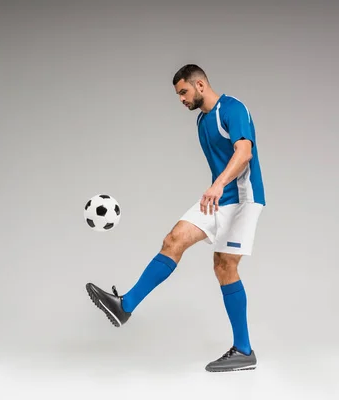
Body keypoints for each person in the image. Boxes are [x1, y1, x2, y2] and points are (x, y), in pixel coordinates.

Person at [85, 64, 266, 372]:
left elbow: (244, 152)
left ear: (200, 85)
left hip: (243, 199)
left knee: (225, 266)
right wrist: (217, 189)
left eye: (183, 92)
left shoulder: (233, 108)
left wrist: (218, 185)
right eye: (178, 94)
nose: (181, 99)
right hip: (218, 197)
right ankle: (124, 306)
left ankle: (244, 350)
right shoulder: (201, 121)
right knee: (173, 240)